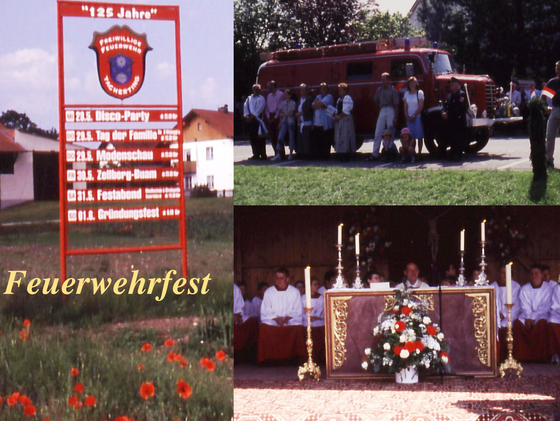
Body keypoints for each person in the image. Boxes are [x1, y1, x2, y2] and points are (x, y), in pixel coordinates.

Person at [258, 268, 306, 364]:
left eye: (281, 278)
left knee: (298, 327)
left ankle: (296, 357)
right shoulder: (269, 292)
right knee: (264, 327)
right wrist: (276, 318)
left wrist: (288, 317)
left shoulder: (294, 292)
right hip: (273, 319)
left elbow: (297, 309)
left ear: (287, 279)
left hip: (290, 319)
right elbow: (266, 310)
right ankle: (268, 359)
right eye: (277, 278)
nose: (279, 281)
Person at [513, 264, 554, 362]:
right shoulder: (524, 288)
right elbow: (524, 305)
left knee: (542, 324)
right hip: (526, 315)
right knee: (518, 324)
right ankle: (521, 356)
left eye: (536, 273)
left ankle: (540, 357)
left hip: (541, 315)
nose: (533, 276)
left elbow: (546, 306)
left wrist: (533, 317)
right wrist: (528, 317)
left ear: (541, 275)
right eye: (531, 273)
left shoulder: (548, 288)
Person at [491, 266, 521, 361]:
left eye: (506, 273)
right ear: (498, 273)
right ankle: (496, 358)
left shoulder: (515, 287)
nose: (504, 276)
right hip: (495, 318)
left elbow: (517, 306)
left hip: (510, 316)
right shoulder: (492, 287)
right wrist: (496, 315)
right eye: (502, 273)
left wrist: (504, 314)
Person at [367, 73, 399, 161]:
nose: (382, 81)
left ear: (388, 80)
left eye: (384, 79)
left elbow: (396, 104)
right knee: (378, 132)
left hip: (390, 109)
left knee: (390, 132)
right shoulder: (379, 90)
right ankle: (375, 154)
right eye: (382, 79)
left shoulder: (393, 90)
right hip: (382, 109)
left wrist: (395, 117)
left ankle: (389, 152)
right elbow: (375, 101)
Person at [441, 77, 468, 161]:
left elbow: (461, 108)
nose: (450, 85)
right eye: (450, 84)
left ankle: (458, 154)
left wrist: (449, 113)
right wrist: (443, 112)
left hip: (458, 120)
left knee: (459, 138)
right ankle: (452, 153)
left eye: (452, 83)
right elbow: (445, 106)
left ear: (458, 84)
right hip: (450, 121)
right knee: (452, 138)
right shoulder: (449, 95)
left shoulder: (462, 94)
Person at [301, 276, 326, 363]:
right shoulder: (303, 297)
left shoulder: (321, 298)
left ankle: (319, 360)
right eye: (314, 285)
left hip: (319, 323)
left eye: (317, 284)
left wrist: (318, 317)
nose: (317, 286)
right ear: (309, 286)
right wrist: (308, 317)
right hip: (307, 323)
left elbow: (324, 310)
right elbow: (300, 311)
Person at [542, 61, 560, 168]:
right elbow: (544, 97)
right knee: (550, 135)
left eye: (559, 68)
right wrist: (545, 107)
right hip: (556, 109)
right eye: (556, 68)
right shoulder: (553, 82)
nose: (557, 70)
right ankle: (549, 159)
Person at [403, 76, 425, 161]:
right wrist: (407, 116)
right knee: (411, 137)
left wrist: (414, 116)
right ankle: (413, 153)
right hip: (409, 117)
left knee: (419, 136)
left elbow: (420, 106)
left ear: (416, 83)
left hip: (417, 117)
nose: (412, 84)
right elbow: (405, 106)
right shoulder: (406, 94)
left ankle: (419, 153)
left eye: (414, 83)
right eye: (411, 83)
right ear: (408, 84)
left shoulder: (419, 93)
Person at [333, 83, 356, 162]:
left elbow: (346, 111)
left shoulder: (347, 98)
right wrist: (335, 115)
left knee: (346, 137)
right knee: (340, 137)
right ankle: (341, 154)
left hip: (345, 119)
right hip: (340, 120)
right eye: (339, 90)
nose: (339, 91)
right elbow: (337, 109)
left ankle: (346, 155)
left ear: (345, 91)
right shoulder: (339, 99)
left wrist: (338, 117)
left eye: (341, 90)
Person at [311, 83, 335, 160]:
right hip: (317, 123)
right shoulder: (319, 96)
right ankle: (318, 156)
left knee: (326, 140)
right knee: (318, 140)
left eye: (324, 88)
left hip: (325, 123)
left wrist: (317, 103)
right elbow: (313, 106)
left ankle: (326, 156)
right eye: (322, 88)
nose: (323, 90)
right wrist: (318, 104)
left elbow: (320, 104)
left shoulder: (329, 97)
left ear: (327, 89)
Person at [243, 84, 267, 160]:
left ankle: (263, 154)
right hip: (250, 120)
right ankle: (255, 153)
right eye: (255, 89)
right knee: (252, 137)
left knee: (260, 137)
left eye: (257, 89)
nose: (256, 91)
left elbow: (260, 108)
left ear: (260, 90)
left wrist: (253, 117)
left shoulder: (261, 98)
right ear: (253, 90)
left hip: (258, 120)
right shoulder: (249, 98)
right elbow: (245, 107)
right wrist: (247, 116)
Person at [272, 89, 297, 161]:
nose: (285, 96)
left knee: (291, 137)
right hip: (284, 121)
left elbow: (291, 114)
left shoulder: (293, 103)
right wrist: (280, 122)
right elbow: (281, 114)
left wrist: (284, 114)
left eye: (286, 94)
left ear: (290, 95)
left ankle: (291, 154)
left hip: (291, 121)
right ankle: (278, 154)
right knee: (280, 137)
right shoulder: (283, 103)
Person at [265, 81, 284, 158]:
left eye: (269, 86)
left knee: (278, 135)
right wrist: (268, 117)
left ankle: (281, 153)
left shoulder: (280, 94)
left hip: (277, 116)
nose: (268, 88)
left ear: (273, 86)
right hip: (270, 116)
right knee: (272, 136)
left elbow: (280, 107)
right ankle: (276, 153)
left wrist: (275, 118)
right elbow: (267, 107)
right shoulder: (269, 95)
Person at [295, 84, 314, 158]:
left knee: (306, 138)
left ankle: (307, 154)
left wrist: (299, 113)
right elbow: (297, 108)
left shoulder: (309, 98)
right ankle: (300, 153)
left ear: (306, 91)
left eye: (303, 90)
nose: (302, 92)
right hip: (300, 121)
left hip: (306, 121)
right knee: (300, 139)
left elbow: (307, 109)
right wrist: (297, 117)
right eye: (301, 90)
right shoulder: (299, 99)